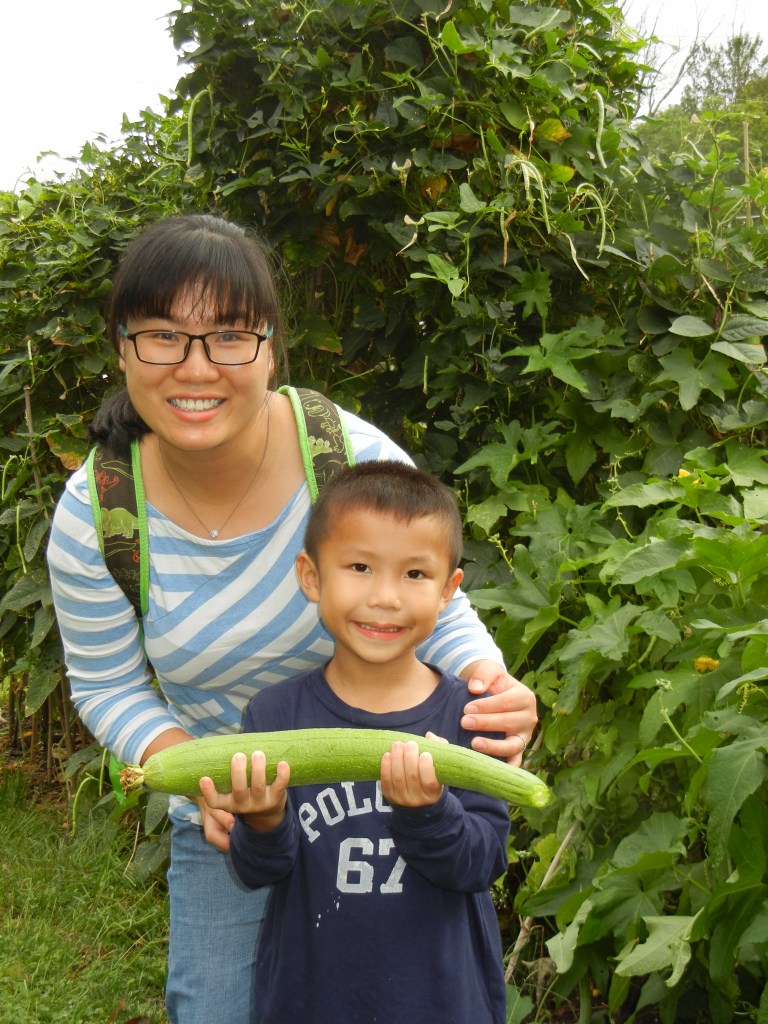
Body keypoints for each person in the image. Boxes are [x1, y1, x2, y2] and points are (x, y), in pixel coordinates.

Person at [46, 213, 537, 1024]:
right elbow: (105, 684)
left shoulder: (342, 454)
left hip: (395, 789)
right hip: (234, 815)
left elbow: (426, 591)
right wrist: (194, 770)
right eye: (162, 336)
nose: (195, 367)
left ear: (271, 348)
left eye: (230, 335)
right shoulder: (99, 512)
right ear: (122, 347)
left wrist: (489, 681)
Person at [201, 459, 510, 1023]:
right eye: (361, 566)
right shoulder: (274, 716)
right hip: (313, 997)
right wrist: (263, 821)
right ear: (312, 576)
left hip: (439, 999)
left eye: (415, 574)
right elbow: (257, 872)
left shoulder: (470, 716)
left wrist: (429, 814)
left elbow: (483, 862)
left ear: (448, 591)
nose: (386, 597)